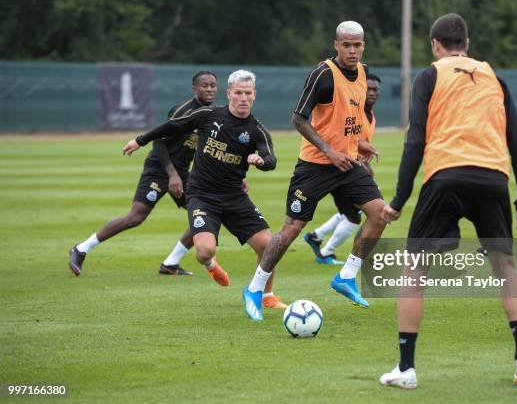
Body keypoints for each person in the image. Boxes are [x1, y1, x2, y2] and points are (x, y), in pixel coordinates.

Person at [380, 13, 517, 389]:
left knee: (414, 270)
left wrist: (399, 199)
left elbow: (415, 139)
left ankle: (406, 368)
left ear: (435, 45)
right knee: (506, 267)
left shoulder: (430, 75)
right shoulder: (494, 78)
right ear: (467, 44)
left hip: (445, 175)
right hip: (493, 178)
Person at [242, 21, 387, 321]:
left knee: (380, 213)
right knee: (291, 229)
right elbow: (298, 118)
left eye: (357, 45)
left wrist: (360, 145)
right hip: (315, 165)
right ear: (336, 45)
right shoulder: (322, 75)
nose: (351, 50)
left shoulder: (363, 72)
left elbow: (348, 119)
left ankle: (346, 277)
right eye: (346, 45)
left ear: (363, 45)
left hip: (347, 163)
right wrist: (329, 151)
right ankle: (255, 289)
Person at [121, 70, 287, 309]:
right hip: (202, 195)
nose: (243, 98)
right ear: (229, 93)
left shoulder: (256, 130)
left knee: (269, 246)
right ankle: (211, 265)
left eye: (248, 93)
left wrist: (261, 162)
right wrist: (140, 140)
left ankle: (266, 296)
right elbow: (173, 125)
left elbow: (270, 158)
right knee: (204, 251)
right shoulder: (209, 115)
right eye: (238, 92)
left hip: (234, 197)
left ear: (254, 96)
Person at [69, 71, 218, 277]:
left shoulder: (211, 114)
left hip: (183, 173)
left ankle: (171, 264)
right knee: (136, 216)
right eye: (204, 85)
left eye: (212, 85)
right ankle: (81, 249)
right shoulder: (182, 110)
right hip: (159, 169)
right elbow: (159, 143)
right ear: (195, 88)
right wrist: (172, 175)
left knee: (206, 214)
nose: (209, 89)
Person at [304, 73, 382, 265]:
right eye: (368, 88)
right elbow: (346, 138)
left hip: (352, 168)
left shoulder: (371, 116)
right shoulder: (352, 111)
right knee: (355, 215)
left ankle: (317, 236)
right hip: (337, 168)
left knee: (355, 211)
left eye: (375, 90)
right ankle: (326, 252)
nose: (371, 93)